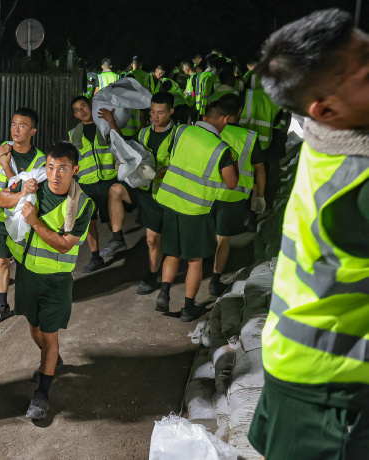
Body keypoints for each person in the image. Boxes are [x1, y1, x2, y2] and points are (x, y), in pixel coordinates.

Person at [246, 9, 369, 459]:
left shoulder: (326, 135)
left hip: (301, 363)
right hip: (329, 394)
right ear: (326, 109)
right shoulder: (358, 180)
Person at [0, 141, 94, 419]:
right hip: (28, 274)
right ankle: (51, 359)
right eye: (50, 167)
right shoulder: (34, 183)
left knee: (50, 336)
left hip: (57, 280)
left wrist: (35, 221)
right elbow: (2, 198)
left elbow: (65, 245)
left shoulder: (83, 204)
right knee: (35, 328)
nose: (55, 174)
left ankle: (42, 394)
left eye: (62, 168)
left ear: (75, 170)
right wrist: (21, 194)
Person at [154, 101, 238, 321]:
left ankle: (163, 294)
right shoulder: (221, 149)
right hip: (195, 209)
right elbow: (231, 183)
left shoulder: (182, 131)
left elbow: (171, 157)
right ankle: (188, 308)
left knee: (172, 253)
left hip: (170, 201)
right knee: (194, 260)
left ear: (205, 116)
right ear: (225, 119)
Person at [100, 92, 178, 295]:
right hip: (141, 189)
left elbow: (179, 165)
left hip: (160, 194)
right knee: (115, 190)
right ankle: (117, 238)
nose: (155, 116)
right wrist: (111, 123)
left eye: (160, 112)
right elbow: (126, 148)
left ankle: (152, 276)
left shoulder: (178, 136)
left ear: (171, 111)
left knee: (152, 239)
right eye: (152, 112)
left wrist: (157, 174)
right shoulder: (143, 133)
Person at [0, 108, 46, 324]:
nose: (16, 130)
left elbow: (24, 190)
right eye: (13, 124)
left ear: (33, 131)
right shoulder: (2, 148)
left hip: (24, 219)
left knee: (27, 262)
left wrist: (6, 166)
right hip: (0, 217)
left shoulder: (40, 160)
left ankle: (33, 299)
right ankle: (2, 305)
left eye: (23, 126)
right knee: (2, 260)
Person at [209, 93, 266, 296]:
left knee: (206, 233)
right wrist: (260, 195)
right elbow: (259, 169)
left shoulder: (209, 134)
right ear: (239, 111)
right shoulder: (249, 137)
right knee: (223, 239)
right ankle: (214, 280)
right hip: (233, 197)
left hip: (206, 194)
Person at [69, 96, 118, 272]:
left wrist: (111, 122)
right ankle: (95, 257)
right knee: (89, 221)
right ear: (75, 115)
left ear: (91, 106)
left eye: (83, 106)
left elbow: (119, 142)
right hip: (86, 184)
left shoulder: (104, 125)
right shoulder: (73, 134)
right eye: (77, 109)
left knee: (111, 219)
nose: (81, 111)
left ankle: (118, 239)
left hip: (107, 180)